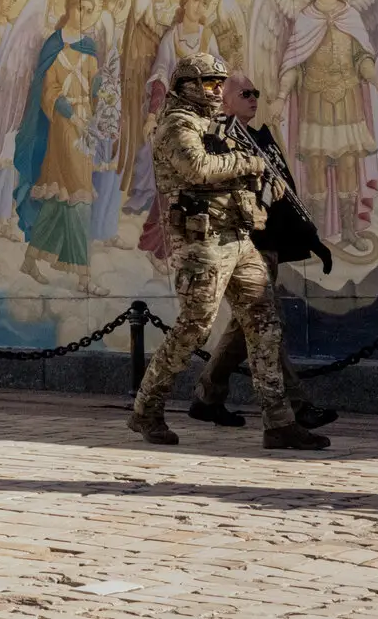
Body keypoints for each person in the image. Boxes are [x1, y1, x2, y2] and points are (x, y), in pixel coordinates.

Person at [128, 51, 329, 450]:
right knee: (194, 328)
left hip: (239, 238)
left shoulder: (217, 124)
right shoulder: (176, 124)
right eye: (209, 83)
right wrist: (246, 162)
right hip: (201, 244)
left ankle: (279, 421)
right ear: (186, 85)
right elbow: (198, 168)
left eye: (221, 84)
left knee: (265, 325)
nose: (217, 90)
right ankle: (146, 409)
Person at [188, 72, 338, 431]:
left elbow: (283, 192)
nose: (254, 98)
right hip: (241, 247)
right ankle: (297, 408)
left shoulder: (259, 138)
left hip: (266, 244)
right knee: (267, 325)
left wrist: (310, 237)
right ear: (224, 101)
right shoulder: (216, 141)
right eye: (245, 93)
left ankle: (207, 398)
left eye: (256, 93)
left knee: (247, 326)